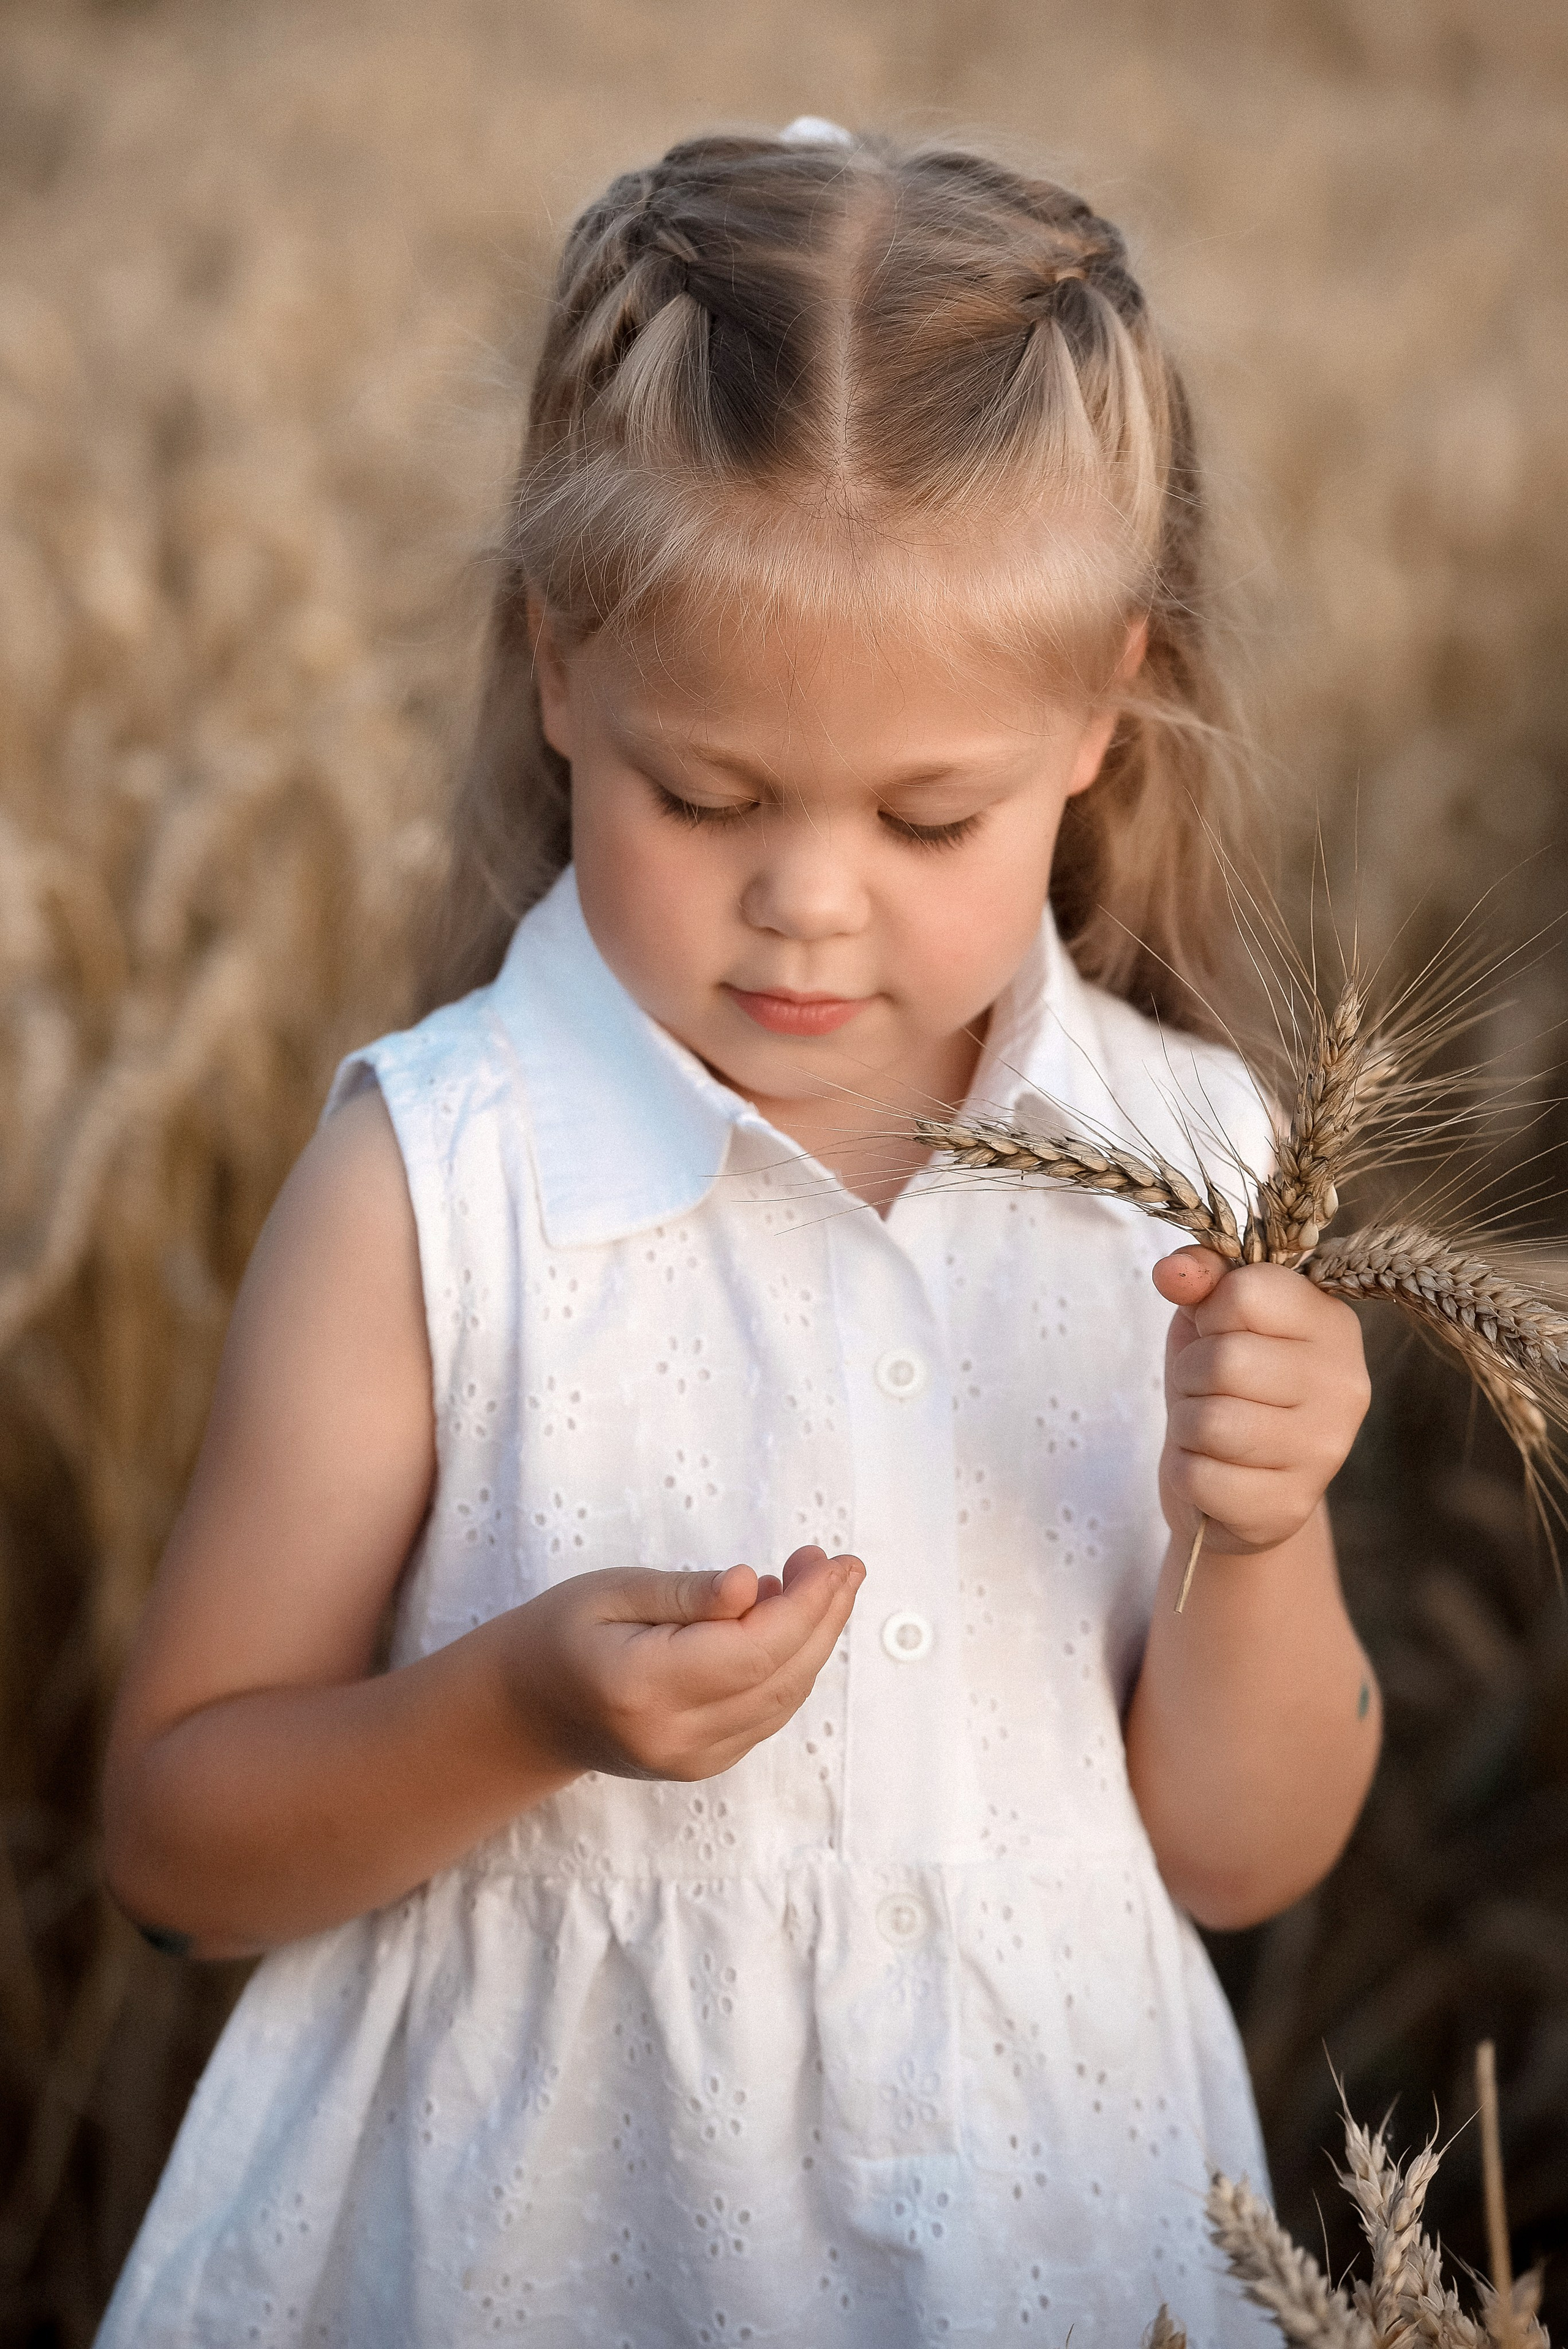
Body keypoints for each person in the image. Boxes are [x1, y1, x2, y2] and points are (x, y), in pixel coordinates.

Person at [96, 121, 1380, 2347]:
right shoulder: (443, 1177)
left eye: (926, 813)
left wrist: (1257, 1535)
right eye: (708, 797)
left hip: (1038, 2233)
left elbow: (1237, 1857)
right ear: (564, 671)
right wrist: (509, 1710)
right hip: (530, 2249)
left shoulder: (1193, 1173)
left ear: (1096, 716)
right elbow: (181, 1836)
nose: (807, 896)